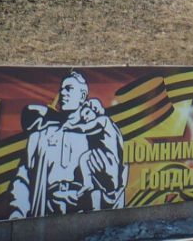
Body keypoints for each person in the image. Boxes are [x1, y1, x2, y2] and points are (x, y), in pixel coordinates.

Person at [9, 70, 127, 219]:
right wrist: (16, 215)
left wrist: (108, 189)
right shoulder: (41, 135)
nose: (63, 93)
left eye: (69, 89)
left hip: (84, 210)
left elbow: (113, 181)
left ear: (83, 96)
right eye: (61, 89)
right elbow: (22, 180)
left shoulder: (98, 134)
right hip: (46, 211)